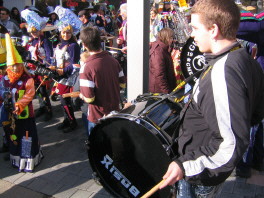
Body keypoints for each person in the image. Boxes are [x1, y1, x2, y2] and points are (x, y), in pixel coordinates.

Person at [159, 0, 264, 197]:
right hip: (203, 166)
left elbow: (231, 145)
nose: (192, 34)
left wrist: (185, 166)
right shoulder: (243, 56)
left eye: (195, 28)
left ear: (213, 30)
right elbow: (257, 110)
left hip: (199, 172)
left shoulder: (223, 72)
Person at [2, 33, 43, 172]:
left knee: (26, 138)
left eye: (17, 65)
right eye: (12, 66)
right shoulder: (4, 79)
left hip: (25, 116)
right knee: (14, 136)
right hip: (11, 117)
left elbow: (29, 94)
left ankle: (28, 160)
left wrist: (19, 105)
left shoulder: (28, 79)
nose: (15, 68)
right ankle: (16, 157)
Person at [79, 27, 126, 137]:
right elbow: (122, 84)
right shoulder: (114, 61)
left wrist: (82, 95)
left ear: (84, 45)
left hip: (98, 117)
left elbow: (89, 98)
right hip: (114, 111)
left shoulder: (86, 67)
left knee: (99, 150)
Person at [50, 6, 82, 133]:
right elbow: (56, 59)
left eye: (68, 32)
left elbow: (75, 64)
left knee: (65, 98)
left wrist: (63, 71)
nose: (65, 34)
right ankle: (66, 120)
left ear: (72, 33)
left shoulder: (73, 46)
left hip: (68, 76)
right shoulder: (58, 45)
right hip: (59, 75)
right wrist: (54, 67)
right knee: (62, 99)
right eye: (63, 32)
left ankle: (72, 121)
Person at [21, 9, 54, 121]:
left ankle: (48, 109)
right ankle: (42, 107)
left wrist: (48, 68)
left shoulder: (45, 41)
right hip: (33, 69)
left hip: (42, 69)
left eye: (35, 31)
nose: (33, 33)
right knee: (37, 90)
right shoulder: (31, 41)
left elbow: (49, 55)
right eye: (31, 32)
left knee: (43, 90)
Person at [149, 27, 176, 94]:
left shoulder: (164, 49)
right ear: (166, 38)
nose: (173, 40)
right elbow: (159, 74)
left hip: (161, 90)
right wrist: (167, 92)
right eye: (172, 38)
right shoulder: (158, 51)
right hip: (158, 92)